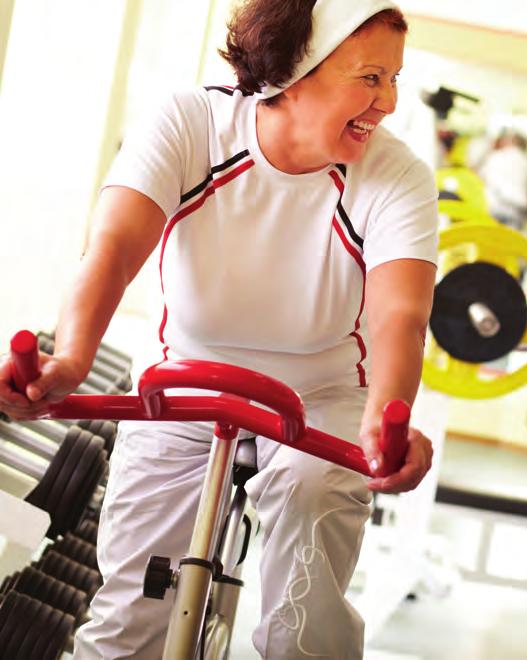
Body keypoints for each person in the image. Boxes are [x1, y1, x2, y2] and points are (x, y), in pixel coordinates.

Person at [0, 0, 438, 657]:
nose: (388, 104)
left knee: (310, 550)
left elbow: (399, 314)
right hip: (182, 388)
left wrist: (384, 416)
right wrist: (71, 363)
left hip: (320, 400)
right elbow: (114, 249)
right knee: (130, 625)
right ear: (297, 67)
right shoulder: (191, 122)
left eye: (394, 80)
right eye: (370, 78)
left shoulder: (396, 174)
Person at [476, 130, 527, 230]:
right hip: (516, 213)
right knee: (508, 243)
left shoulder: (495, 157)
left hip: (493, 210)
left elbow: (478, 179)